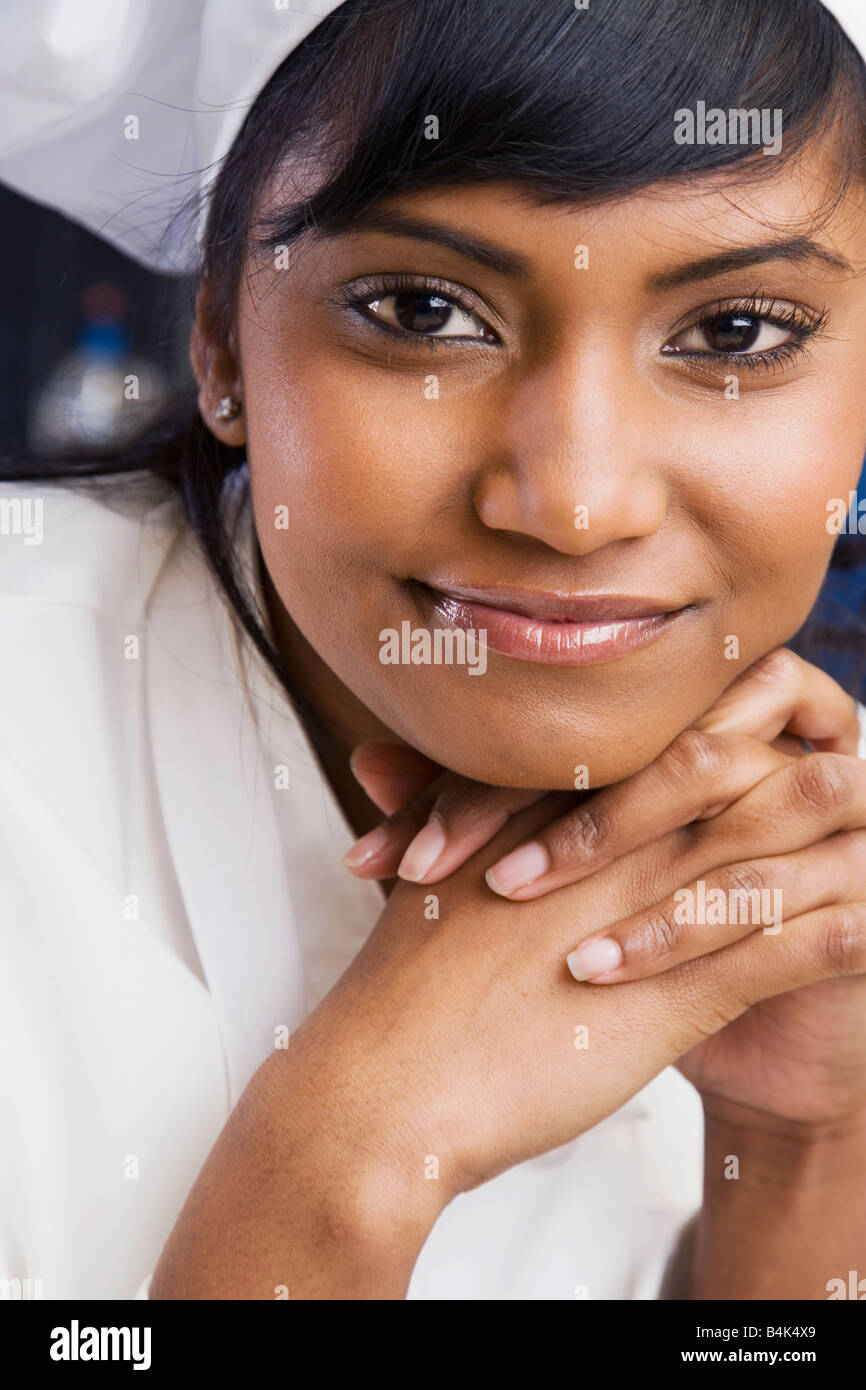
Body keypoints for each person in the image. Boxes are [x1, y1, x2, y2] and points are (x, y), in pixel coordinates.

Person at [1, 0, 866, 1301]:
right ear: (222, 340)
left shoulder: (800, 861)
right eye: (420, 309)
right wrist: (344, 1159)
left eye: (734, 333)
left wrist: (802, 1145)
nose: (577, 505)